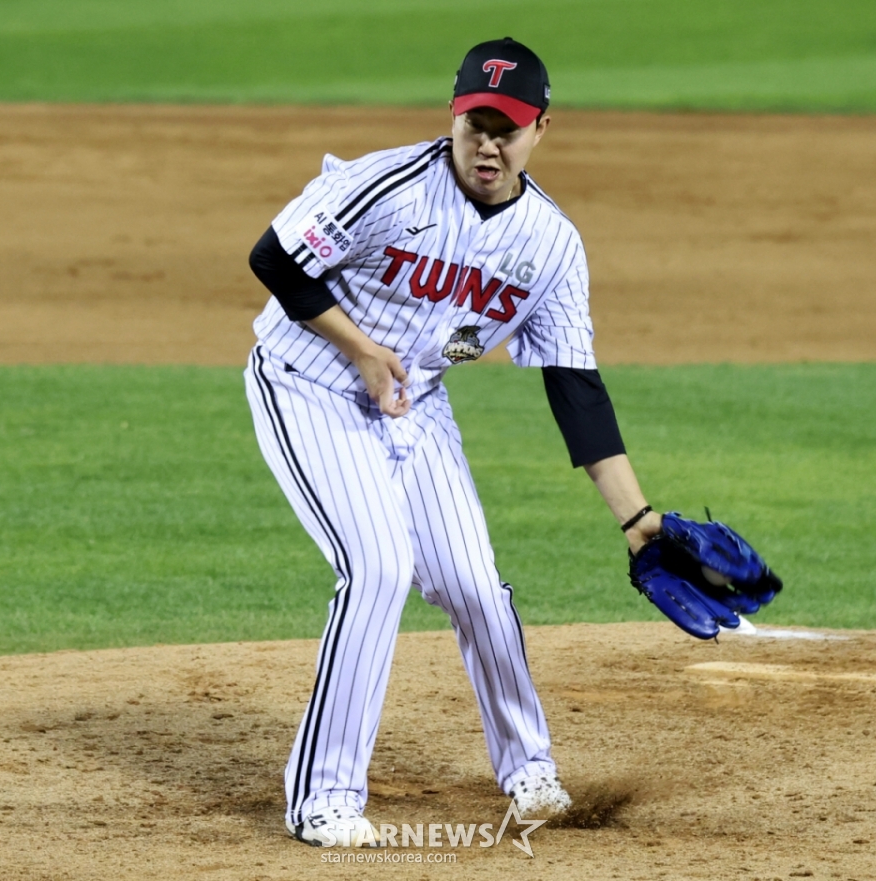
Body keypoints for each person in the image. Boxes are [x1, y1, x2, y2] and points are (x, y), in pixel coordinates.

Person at [245, 37, 663, 847]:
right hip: (308, 384)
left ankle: (530, 769)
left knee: (474, 584)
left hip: (417, 404)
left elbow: (575, 387)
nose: (489, 145)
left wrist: (636, 517)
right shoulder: (388, 185)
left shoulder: (550, 244)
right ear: (454, 116)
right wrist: (361, 349)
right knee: (377, 568)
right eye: (477, 125)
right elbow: (275, 259)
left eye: (508, 129)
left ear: (540, 129)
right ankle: (323, 797)